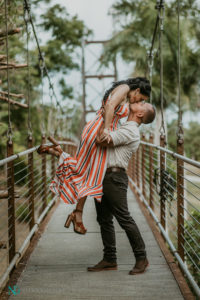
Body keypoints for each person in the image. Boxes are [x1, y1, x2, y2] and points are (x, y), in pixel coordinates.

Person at [37, 77, 151, 234]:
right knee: (91, 173)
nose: (140, 102)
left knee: (89, 171)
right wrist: (105, 130)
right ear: (137, 90)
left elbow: (111, 109)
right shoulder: (124, 88)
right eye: (142, 99)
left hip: (100, 130)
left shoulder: (124, 95)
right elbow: (110, 105)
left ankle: (77, 211)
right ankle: (77, 212)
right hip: (99, 131)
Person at [87, 101, 156, 275]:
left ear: (140, 114)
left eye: (142, 103)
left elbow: (101, 141)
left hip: (114, 177)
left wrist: (104, 120)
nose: (139, 101)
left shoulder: (131, 130)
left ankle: (142, 258)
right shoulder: (123, 125)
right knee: (104, 219)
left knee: (124, 218)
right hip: (104, 176)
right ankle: (110, 259)